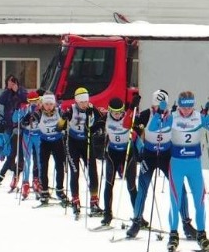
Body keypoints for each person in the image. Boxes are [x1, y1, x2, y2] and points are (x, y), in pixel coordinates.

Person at [126, 89, 194, 239]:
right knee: (143, 187)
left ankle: (187, 224)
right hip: (149, 155)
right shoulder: (145, 115)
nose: (159, 109)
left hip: (166, 155)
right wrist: (131, 108)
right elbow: (129, 126)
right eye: (156, 106)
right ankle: (136, 221)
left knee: (179, 187)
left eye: (161, 105)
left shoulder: (173, 115)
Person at [165, 90, 209, 252]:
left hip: (194, 165)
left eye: (190, 107)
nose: (186, 111)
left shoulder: (199, 116)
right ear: (178, 105)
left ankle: (201, 235)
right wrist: (160, 116)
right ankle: (173, 235)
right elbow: (156, 129)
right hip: (176, 163)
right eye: (184, 107)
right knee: (175, 201)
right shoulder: (172, 116)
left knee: (200, 201)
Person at [63, 87, 102, 217]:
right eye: (82, 102)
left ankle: (94, 201)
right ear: (77, 101)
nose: (84, 104)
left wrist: (96, 128)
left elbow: (101, 122)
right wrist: (63, 120)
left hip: (86, 142)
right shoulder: (71, 109)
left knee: (92, 170)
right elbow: (59, 126)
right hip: (72, 143)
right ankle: (75, 200)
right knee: (75, 172)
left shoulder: (91, 109)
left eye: (86, 101)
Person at [99, 97, 133, 227]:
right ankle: (107, 214)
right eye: (114, 112)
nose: (117, 115)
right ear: (110, 111)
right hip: (112, 154)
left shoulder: (129, 117)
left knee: (131, 186)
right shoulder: (106, 118)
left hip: (127, 153)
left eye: (120, 112)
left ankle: (138, 216)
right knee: (109, 184)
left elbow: (139, 126)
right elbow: (93, 125)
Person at [31, 93, 68, 205]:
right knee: (43, 166)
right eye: (46, 104)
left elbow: (63, 126)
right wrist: (28, 119)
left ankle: (60, 190)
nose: (48, 106)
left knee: (59, 165)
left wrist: (64, 119)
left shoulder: (59, 112)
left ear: (54, 104)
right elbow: (29, 121)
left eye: (51, 104)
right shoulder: (39, 113)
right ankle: (44, 190)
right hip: (45, 142)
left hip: (57, 141)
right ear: (43, 104)